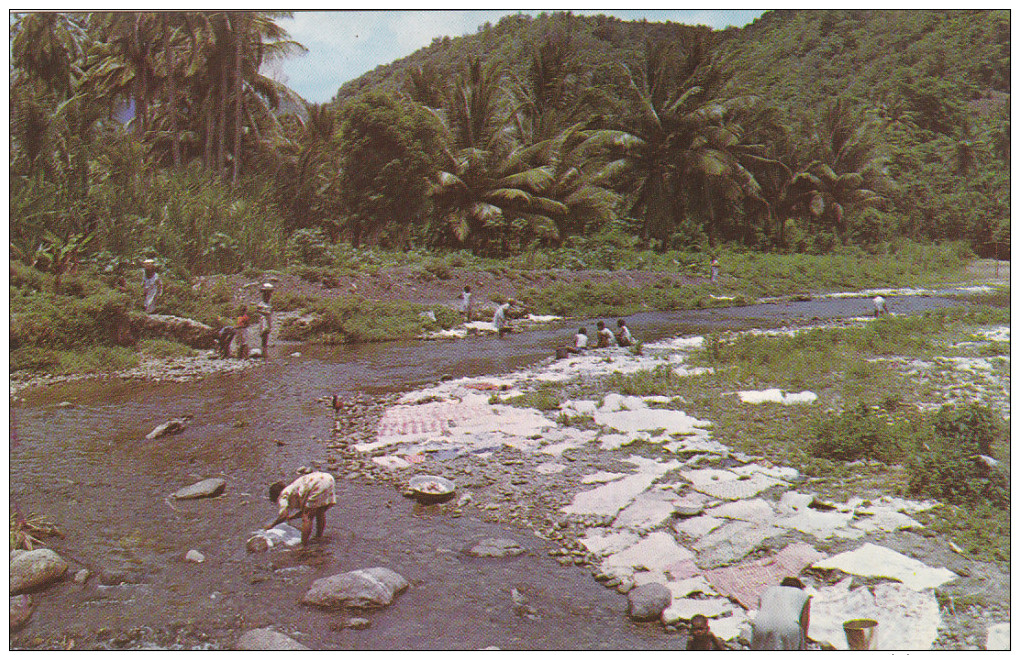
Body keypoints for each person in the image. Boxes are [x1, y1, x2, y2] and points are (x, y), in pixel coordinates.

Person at [266, 471, 337, 547]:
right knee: (320, 512)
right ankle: (319, 537)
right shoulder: (293, 488)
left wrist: (272, 525)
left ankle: (303, 545)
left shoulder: (283, 495)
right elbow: (303, 511)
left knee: (307, 518)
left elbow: (283, 515)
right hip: (328, 479)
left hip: (317, 483)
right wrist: (291, 518)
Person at [751, 576, 811, 650]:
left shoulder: (767, 591)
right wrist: (803, 643)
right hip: (789, 626)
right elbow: (804, 622)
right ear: (800, 587)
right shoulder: (802, 595)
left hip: (761, 624)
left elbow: (761, 609)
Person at [256, 282, 274, 352]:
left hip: (268, 318)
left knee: (267, 332)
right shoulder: (261, 304)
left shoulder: (268, 304)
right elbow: (258, 311)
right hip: (264, 319)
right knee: (264, 332)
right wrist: (266, 313)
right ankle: (263, 347)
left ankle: (264, 347)